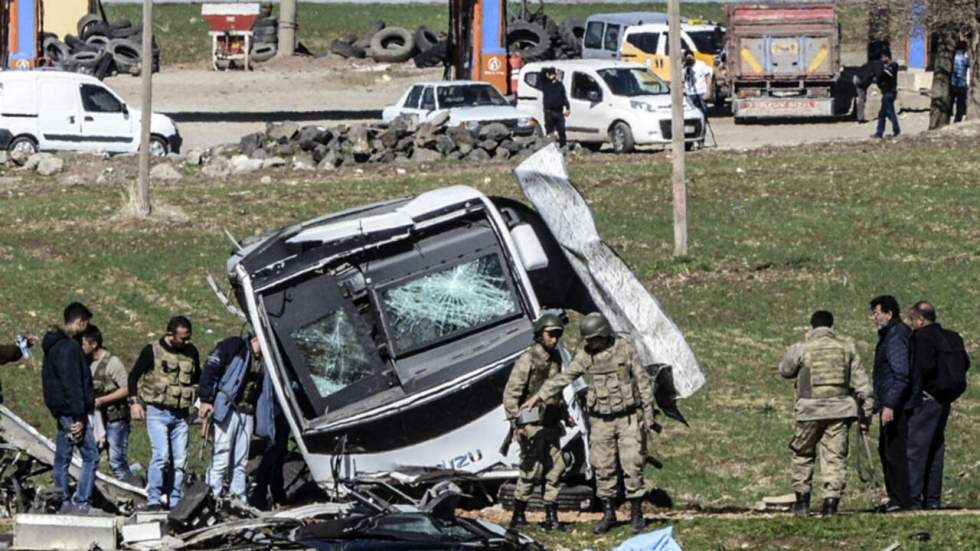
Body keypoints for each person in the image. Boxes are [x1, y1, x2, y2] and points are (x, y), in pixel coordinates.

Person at [522, 312, 655, 535]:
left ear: (604, 333)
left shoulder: (624, 349)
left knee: (632, 462)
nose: (591, 343)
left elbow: (642, 380)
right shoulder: (586, 355)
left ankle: (636, 514)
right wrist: (540, 395)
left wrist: (648, 414)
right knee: (602, 466)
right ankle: (609, 513)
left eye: (594, 339)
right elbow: (565, 377)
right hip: (600, 420)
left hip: (627, 418)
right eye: (589, 340)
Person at [779, 310, 874, 517]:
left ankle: (802, 502)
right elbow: (863, 386)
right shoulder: (846, 348)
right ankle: (830, 505)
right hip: (840, 411)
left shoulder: (802, 348)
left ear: (811, 327)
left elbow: (785, 371)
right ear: (832, 327)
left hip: (809, 411)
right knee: (835, 457)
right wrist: (866, 414)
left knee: (803, 454)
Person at [502, 313, 568, 531]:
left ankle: (552, 517)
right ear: (540, 334)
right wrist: (516, 423)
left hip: (551, 422)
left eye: (558, 335)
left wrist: (565, 413)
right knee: (532, 471)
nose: (554, 340)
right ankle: (518, 515)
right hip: (531, 424)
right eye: (551, 335)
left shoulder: (556, 358)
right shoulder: (528, 360)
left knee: (555, 469)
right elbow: (511, 395)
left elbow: (556, 390)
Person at [128, 316, 200, 510]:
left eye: (188, 338)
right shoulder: (152, 350)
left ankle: (175, 499)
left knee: (180, 460)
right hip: (157, 412)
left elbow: (197, 380)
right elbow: (133, 376)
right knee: (161, 456)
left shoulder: (192, 352)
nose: (185, 342)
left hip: (181, 415)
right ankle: (153, 498)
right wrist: (135, 403)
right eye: (182, 338)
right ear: (170, 334)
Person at [199, 332, 277, 502]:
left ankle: (239, 500)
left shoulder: (265, 361)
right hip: (227, 409)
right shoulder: (235, 346)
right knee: (221, 456)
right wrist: (205, 399)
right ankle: (211, 497)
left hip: (247, 412)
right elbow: (210, 369)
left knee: (241, 461)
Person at [907, 302, 969, 509]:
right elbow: (965, 363)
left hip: (927, 398)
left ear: (920, 319)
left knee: (916, 448)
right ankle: (932, 499)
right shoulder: (953, 337)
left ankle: (913, 498)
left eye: (912, 320)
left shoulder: (920, 338)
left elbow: (924, 366)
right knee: (935, 448)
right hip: (946, 398)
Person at [42, 302, 99, 513]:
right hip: (72, 412)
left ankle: (61, 501)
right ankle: (82, 502)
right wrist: (79, 417)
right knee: (91, 456)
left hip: (61, 410)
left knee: (62, 457)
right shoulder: (70, 347)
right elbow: (73, 383)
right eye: (86, 323)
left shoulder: (53, 346)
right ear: (79, 322)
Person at [870, 295, 918, 512]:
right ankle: (895, 499)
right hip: (893, 402)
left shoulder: (896, 337)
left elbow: (900, 374)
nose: (874, 317)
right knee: (887, 451)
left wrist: (889, 405)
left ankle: (900, 500)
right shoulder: (892, 334)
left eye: (877, 312)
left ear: (889, 313)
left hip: (897, 405)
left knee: (894, 452)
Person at [81, 325, 134, 482]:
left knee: (116, 461)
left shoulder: (112, 362)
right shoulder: (86, 363)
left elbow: (128, 389)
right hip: (96, 421)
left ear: (94, 344)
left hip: (115, 420)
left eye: (83, 344)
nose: (81, 347)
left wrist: (104, 400)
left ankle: (131, 490)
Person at [540, 67, 570, 148]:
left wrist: (567, 108)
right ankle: (550, 147)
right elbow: (542, 72)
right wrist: (551, 70)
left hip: (559, 112)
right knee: (550, 132)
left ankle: (563, 147)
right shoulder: (545, 84)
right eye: (551, 74)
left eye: (554, 74)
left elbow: (563, 97)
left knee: (562, 131)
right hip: (549, 112)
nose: (553, 76)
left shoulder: (559, 84)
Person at [874, 50, 900, 139]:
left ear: (887, 57)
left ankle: (896, 130)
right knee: (882, 114)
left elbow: (884, 76)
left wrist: (880, 75)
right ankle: (879, 133)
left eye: (883, 57)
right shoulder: (885, 67)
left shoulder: (893, 66)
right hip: (885, 93)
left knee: (890, 112)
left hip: (890, 93)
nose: (882, 59)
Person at [684, 51, 712, 119]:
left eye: (690, 58)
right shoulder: (685, 67)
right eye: (687, 58)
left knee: (703, 112)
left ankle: (704, 124)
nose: (689, 60)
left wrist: (708, 92)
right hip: (690, 93)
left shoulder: (700, 64)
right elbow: (682, 80)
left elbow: (708, 77)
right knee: (692, 113)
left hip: (701, 92)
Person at [951, 43, 970, 123]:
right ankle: (958, 118)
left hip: (953, 82)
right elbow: (968, 64)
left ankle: (949, 112)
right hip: (961, 82)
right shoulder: (964, 57)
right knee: (960, 101)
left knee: (951, 99)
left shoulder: (952, 57)